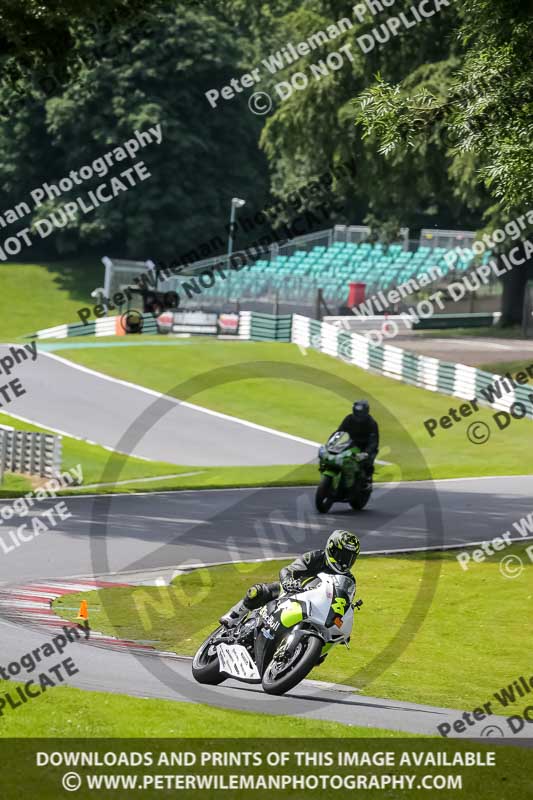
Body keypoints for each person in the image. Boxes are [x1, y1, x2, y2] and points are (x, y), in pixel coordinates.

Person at [220, 529, 360, 627]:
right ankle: (234, 615)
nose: (345, 562)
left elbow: (344, 603)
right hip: (293, 591)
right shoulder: (315, 557)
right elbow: (288, 569)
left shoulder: (348, 580)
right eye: (343, 556)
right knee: (258, 591)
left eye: (350, 558)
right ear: (331, 549)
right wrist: (288, 582)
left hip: (317, 608)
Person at [337, 399, 379, 488]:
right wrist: (331, 443)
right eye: (357, 412)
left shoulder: (371, 423)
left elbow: (374, 441)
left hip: (365, 447)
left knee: (367, 463)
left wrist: (366, 452)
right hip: (350, 445)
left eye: (361, 413)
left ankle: (368, 480)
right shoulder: (349, 418)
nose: (359, 415)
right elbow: (339, 432)